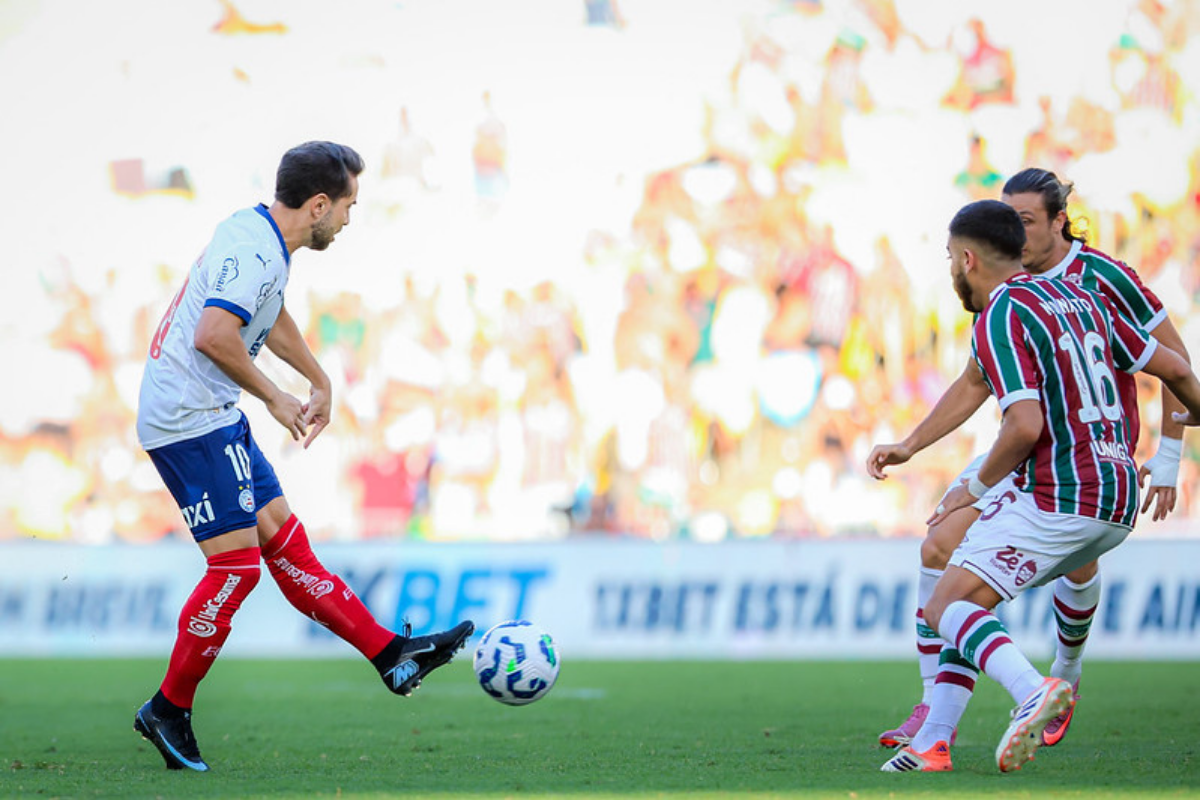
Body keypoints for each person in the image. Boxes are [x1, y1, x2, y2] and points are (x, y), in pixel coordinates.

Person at [132, 141, 474, 772]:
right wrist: (275, 397)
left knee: (287, 544)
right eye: (347, 207)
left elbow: (267, 312)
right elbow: (213, 334)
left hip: (210, 413)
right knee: (235, 570)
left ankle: (390, 655)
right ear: (318, 205)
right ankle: (167, 707)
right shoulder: (254, 249)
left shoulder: (262, 238)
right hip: (186, 420)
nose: (347, 220)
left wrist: (318, 377)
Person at [875, 199, 1200, 773]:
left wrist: (975, 487)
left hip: (1062, 492)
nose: (951, 270)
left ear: (968, 260)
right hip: (1119, 492)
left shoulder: (1000, 313)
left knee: (946, 603)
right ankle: (932, 743)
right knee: (964, 597)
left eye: (950, 259)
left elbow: (1024, 425)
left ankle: (1034, 691)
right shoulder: (1079, 298)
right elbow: (1175, 367)